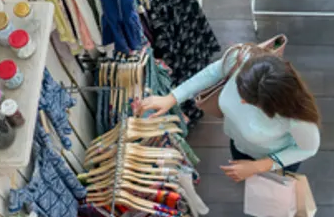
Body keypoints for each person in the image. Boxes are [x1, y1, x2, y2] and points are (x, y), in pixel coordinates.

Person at [134, 47, 321, 182]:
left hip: (275, 162)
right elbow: (214, 72)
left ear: (272, 104)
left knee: (269, 206)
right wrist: (172, 97)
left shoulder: (296, 118)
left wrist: (257, 167)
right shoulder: (244, 59)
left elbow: (307, 149)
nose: (240, 101)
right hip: (239, 146)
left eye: (249, 100)